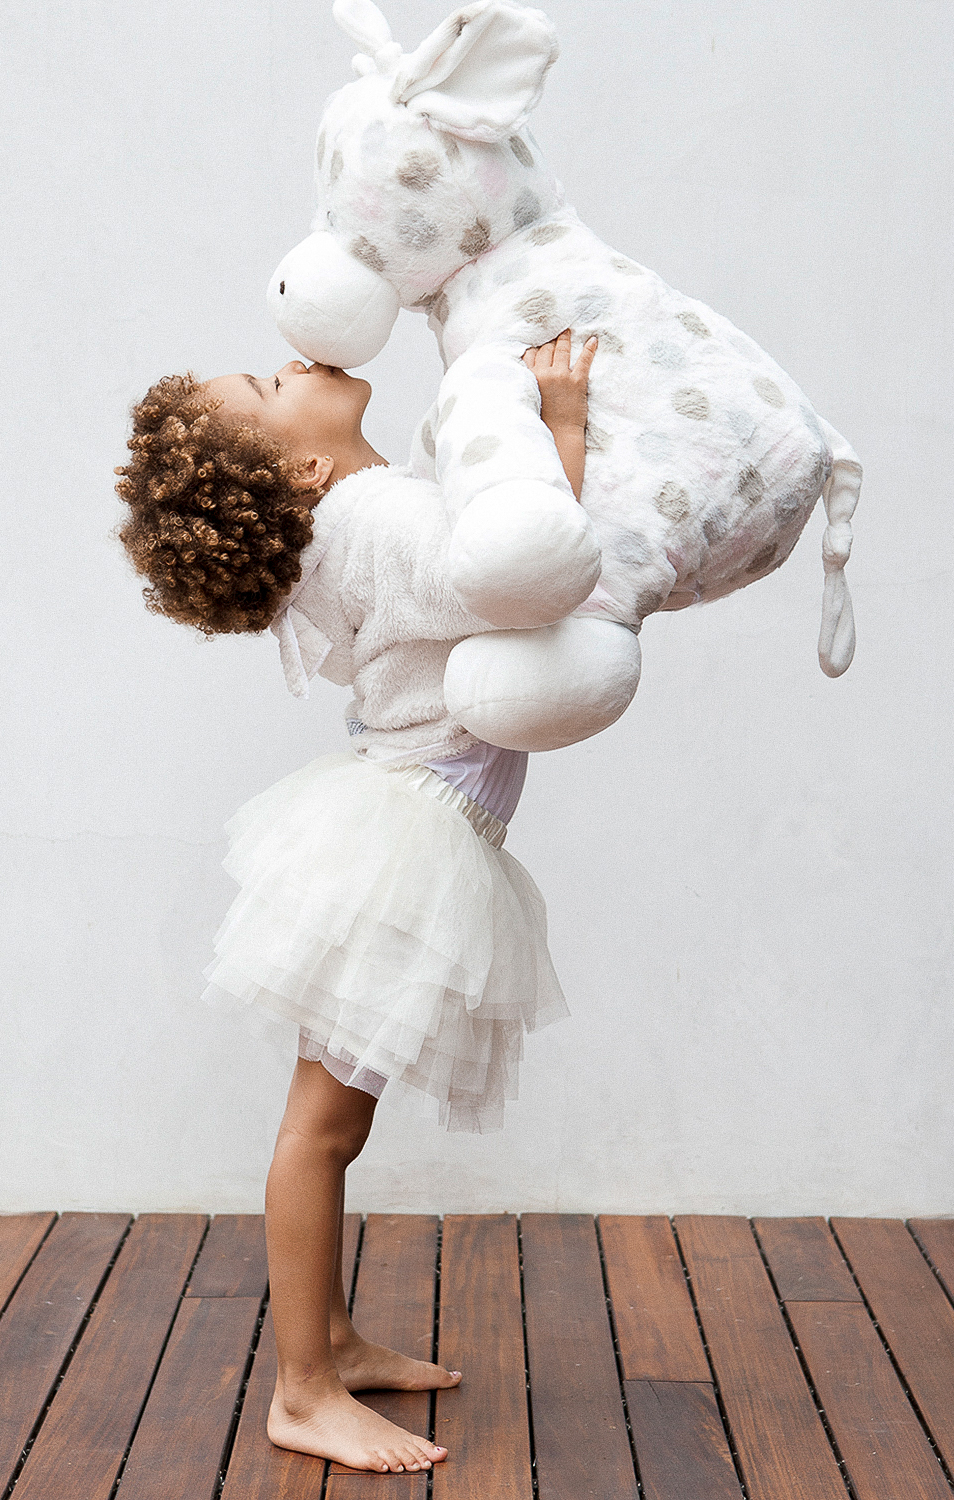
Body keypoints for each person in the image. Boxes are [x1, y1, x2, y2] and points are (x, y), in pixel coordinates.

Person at [114, 332, 596, 1474]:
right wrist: (564, 424)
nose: (294, 360)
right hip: (404, 841)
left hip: (395, 826)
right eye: (272, 386)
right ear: (303, 475)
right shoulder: (375, 516)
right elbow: (520, 574)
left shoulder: (349, 524)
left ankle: (327, 1336)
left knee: (340, 1120)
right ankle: (301, 1390)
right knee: (322, 1130)